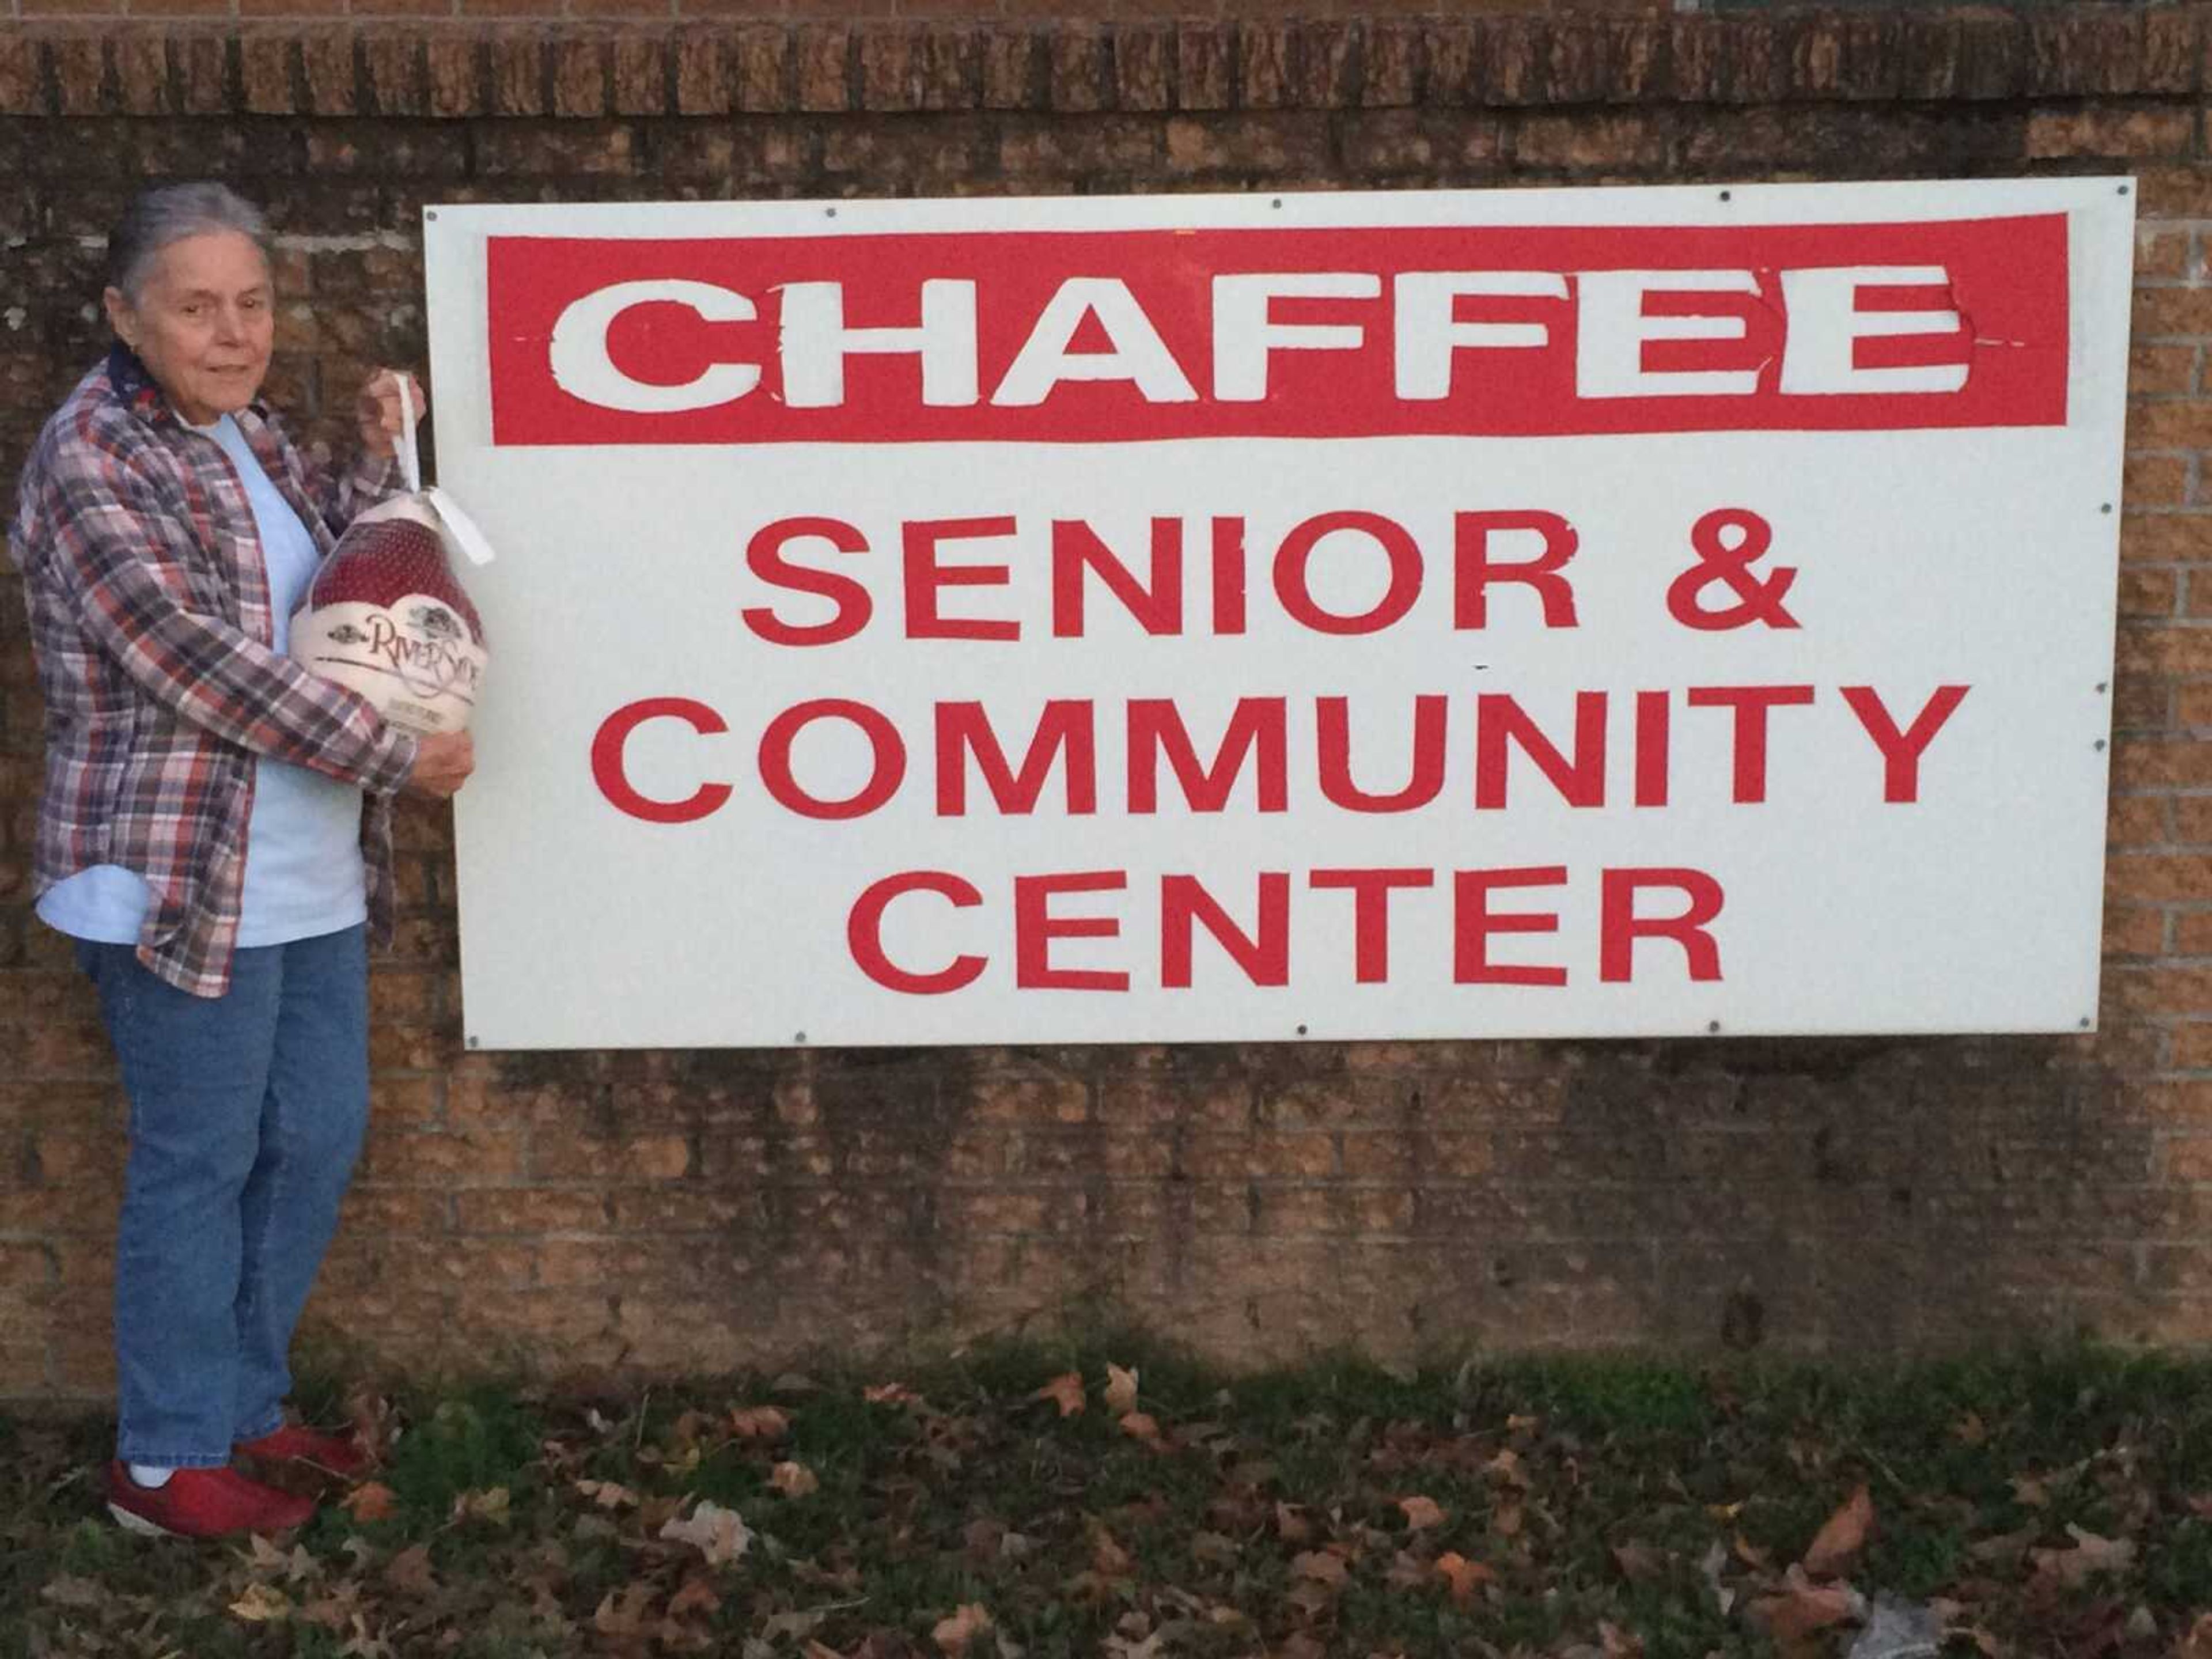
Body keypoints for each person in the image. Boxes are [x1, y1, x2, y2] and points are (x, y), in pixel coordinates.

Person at [7, 182, 475, 1539]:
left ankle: (246, 1409)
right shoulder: (92, 457)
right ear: (124, 315)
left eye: (252, 303)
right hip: (176, 885)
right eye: (197, 306)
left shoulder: (249, 434)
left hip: (307, 876)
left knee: (314, 1140)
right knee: (200, 1160)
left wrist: (390, 458)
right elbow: (189, 663)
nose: (232, 332)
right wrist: (398, 754)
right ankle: (162, 1463)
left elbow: (354, 555)